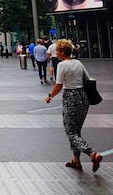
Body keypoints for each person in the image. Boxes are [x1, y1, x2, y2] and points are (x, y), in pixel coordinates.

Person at [45, 39, 102, 172]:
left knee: (70, 131)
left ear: (62, 51)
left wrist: (50, 96)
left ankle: (92, 154)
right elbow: (88, 79)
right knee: (76, 130)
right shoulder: (78, 63)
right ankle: (76, 160)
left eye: (58, 50)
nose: (56, 52)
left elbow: (58, 85)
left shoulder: (61, 65)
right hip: (83, 96)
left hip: (70, 97)